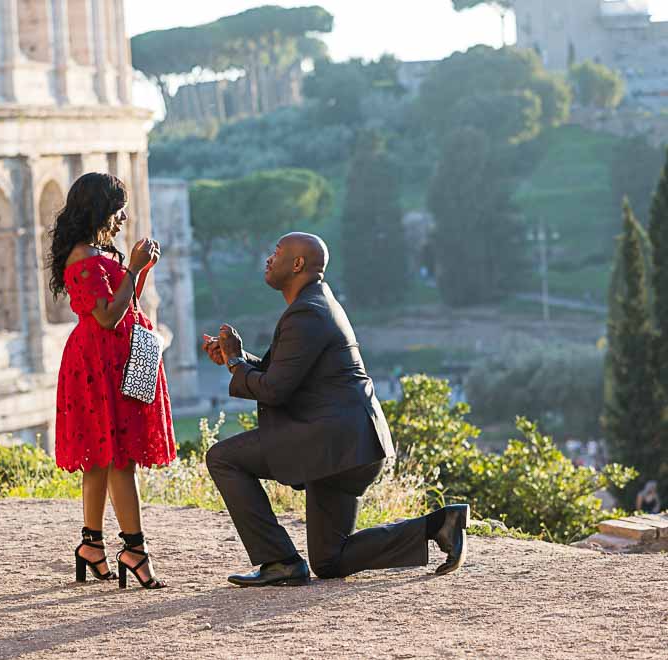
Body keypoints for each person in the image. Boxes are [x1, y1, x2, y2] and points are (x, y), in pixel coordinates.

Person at [202, 232, 469, 587]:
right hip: (351, 447)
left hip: (334, 443)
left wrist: (237, 361)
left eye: (276, 253)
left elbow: (276, 390)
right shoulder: (315, 304)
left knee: (223, 458)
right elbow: (286, 374)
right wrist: (238, 361)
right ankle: (439, 526)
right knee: (331, 559)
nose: (268, 259)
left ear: (297, 264)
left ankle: (278, 560)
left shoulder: (307, 313)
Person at [47, 172, 175, 590]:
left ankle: (91, 545)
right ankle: (134, 549)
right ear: (100, 210)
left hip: (116, 358)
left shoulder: (97, 252)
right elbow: (106, 316)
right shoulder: (82, 259)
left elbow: (123, 303)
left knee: (102, 458)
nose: (123, 217)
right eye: (117, 209)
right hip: (98, 363)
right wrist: (134, 268)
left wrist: (139, 270)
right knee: (119, 458)